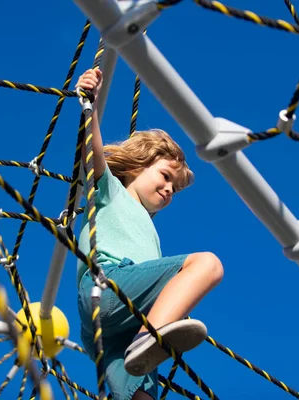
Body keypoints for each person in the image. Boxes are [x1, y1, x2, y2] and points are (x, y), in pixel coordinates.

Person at [75, 68, 224, 400]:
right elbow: (93, 154)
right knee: (207, 265)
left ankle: (148, 336)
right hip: (109, 284)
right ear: (136, 166)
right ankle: (150, 335)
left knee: (141, 396)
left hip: (118, 326)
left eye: (175, 188)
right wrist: (90, 106)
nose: (170, 189)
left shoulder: (149, 228)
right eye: (165, 176)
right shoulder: (109, 191)